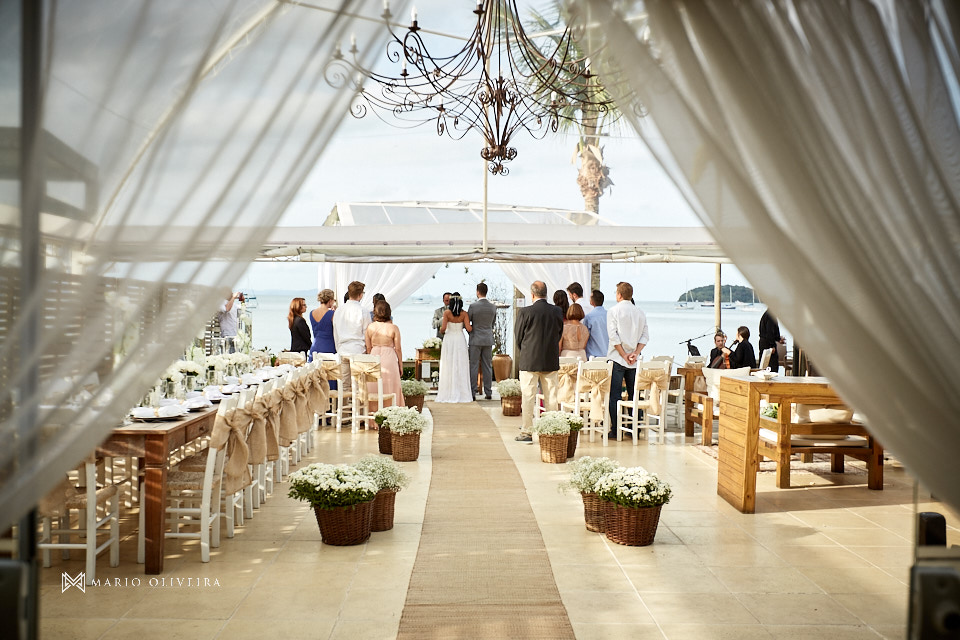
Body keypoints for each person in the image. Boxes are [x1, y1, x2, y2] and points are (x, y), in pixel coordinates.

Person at [514, 281, 563, 441]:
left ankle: (527, 432)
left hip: (529, 360)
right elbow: (559, 333)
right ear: (546, 293)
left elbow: (518, 336)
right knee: (551, 397)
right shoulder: (556, 311)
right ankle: (551, 431)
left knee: (528, 397)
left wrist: (526, 350)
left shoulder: (525, 312)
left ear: (532, 294)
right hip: (550, 359)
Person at [607, 281, 649, 438]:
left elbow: (613, 336)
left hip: (617, 358)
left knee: (615, 395)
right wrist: (636, 353)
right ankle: (635, 428)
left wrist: (624, 355)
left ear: (619, 295)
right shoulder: (640, 312)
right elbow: (645, 336)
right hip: (634, 360)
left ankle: (616, 429)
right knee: (634, 395)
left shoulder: (613, 311)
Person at [365, 299, 404, 408]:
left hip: (374, 355)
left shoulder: (370, 327)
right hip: (389, 357)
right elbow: (398, 348)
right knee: (391, 386)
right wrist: (400, 364)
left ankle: (373, 415)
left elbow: (368, 347)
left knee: (374, 386)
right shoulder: (394, 328)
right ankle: (391, 413)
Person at [436, 292, 473, 403]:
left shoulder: (447, 313)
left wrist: (443, 330)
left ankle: (447, 391)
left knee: (448, 364)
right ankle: (462, 392)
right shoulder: (464, 314)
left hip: (449, 340)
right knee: (460, 364)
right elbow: (469, 329)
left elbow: (443, 329)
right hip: (460, 339)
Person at [333, 281, 370, 392]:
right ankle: (358, 409)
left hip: (342, 349)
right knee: (358, 385)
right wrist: (368, 351)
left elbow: (335, 332)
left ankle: (343, 408)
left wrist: (338, 348)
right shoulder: (363, 311)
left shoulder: (339, 310)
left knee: (344, 384)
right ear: (360, 295)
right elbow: (366, 332)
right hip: (358, 349)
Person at [467, 282, 496, 400]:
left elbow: (467, 322)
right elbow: (493, 324)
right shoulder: (493, 307)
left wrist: (471, 332)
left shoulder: (473, 306)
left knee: (473, 365)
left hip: (475, 339)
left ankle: (473, 392)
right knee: (487, 366)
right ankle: (488, 392)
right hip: (488, 338)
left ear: (477, 292)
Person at [308, 288, 337, 372]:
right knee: (330, 374)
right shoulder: (332, 314)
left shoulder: (312, 313)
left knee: (314, 375)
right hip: (328, 346)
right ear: (330, 300)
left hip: (315, 346)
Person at [582, 289, 608, 360]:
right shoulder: (609, 315)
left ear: (592, 302)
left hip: (592, 356)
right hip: (608, 355)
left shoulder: (589, 317)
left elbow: (585, 336)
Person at [217, 289, 241, 353]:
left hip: (235, 335)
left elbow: (242, 310)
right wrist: (233, 298)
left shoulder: (232, 304)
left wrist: (242, 300)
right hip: (226, 335)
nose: (232, 293)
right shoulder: (219, 303)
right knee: (227, 357)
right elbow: (226, 309)